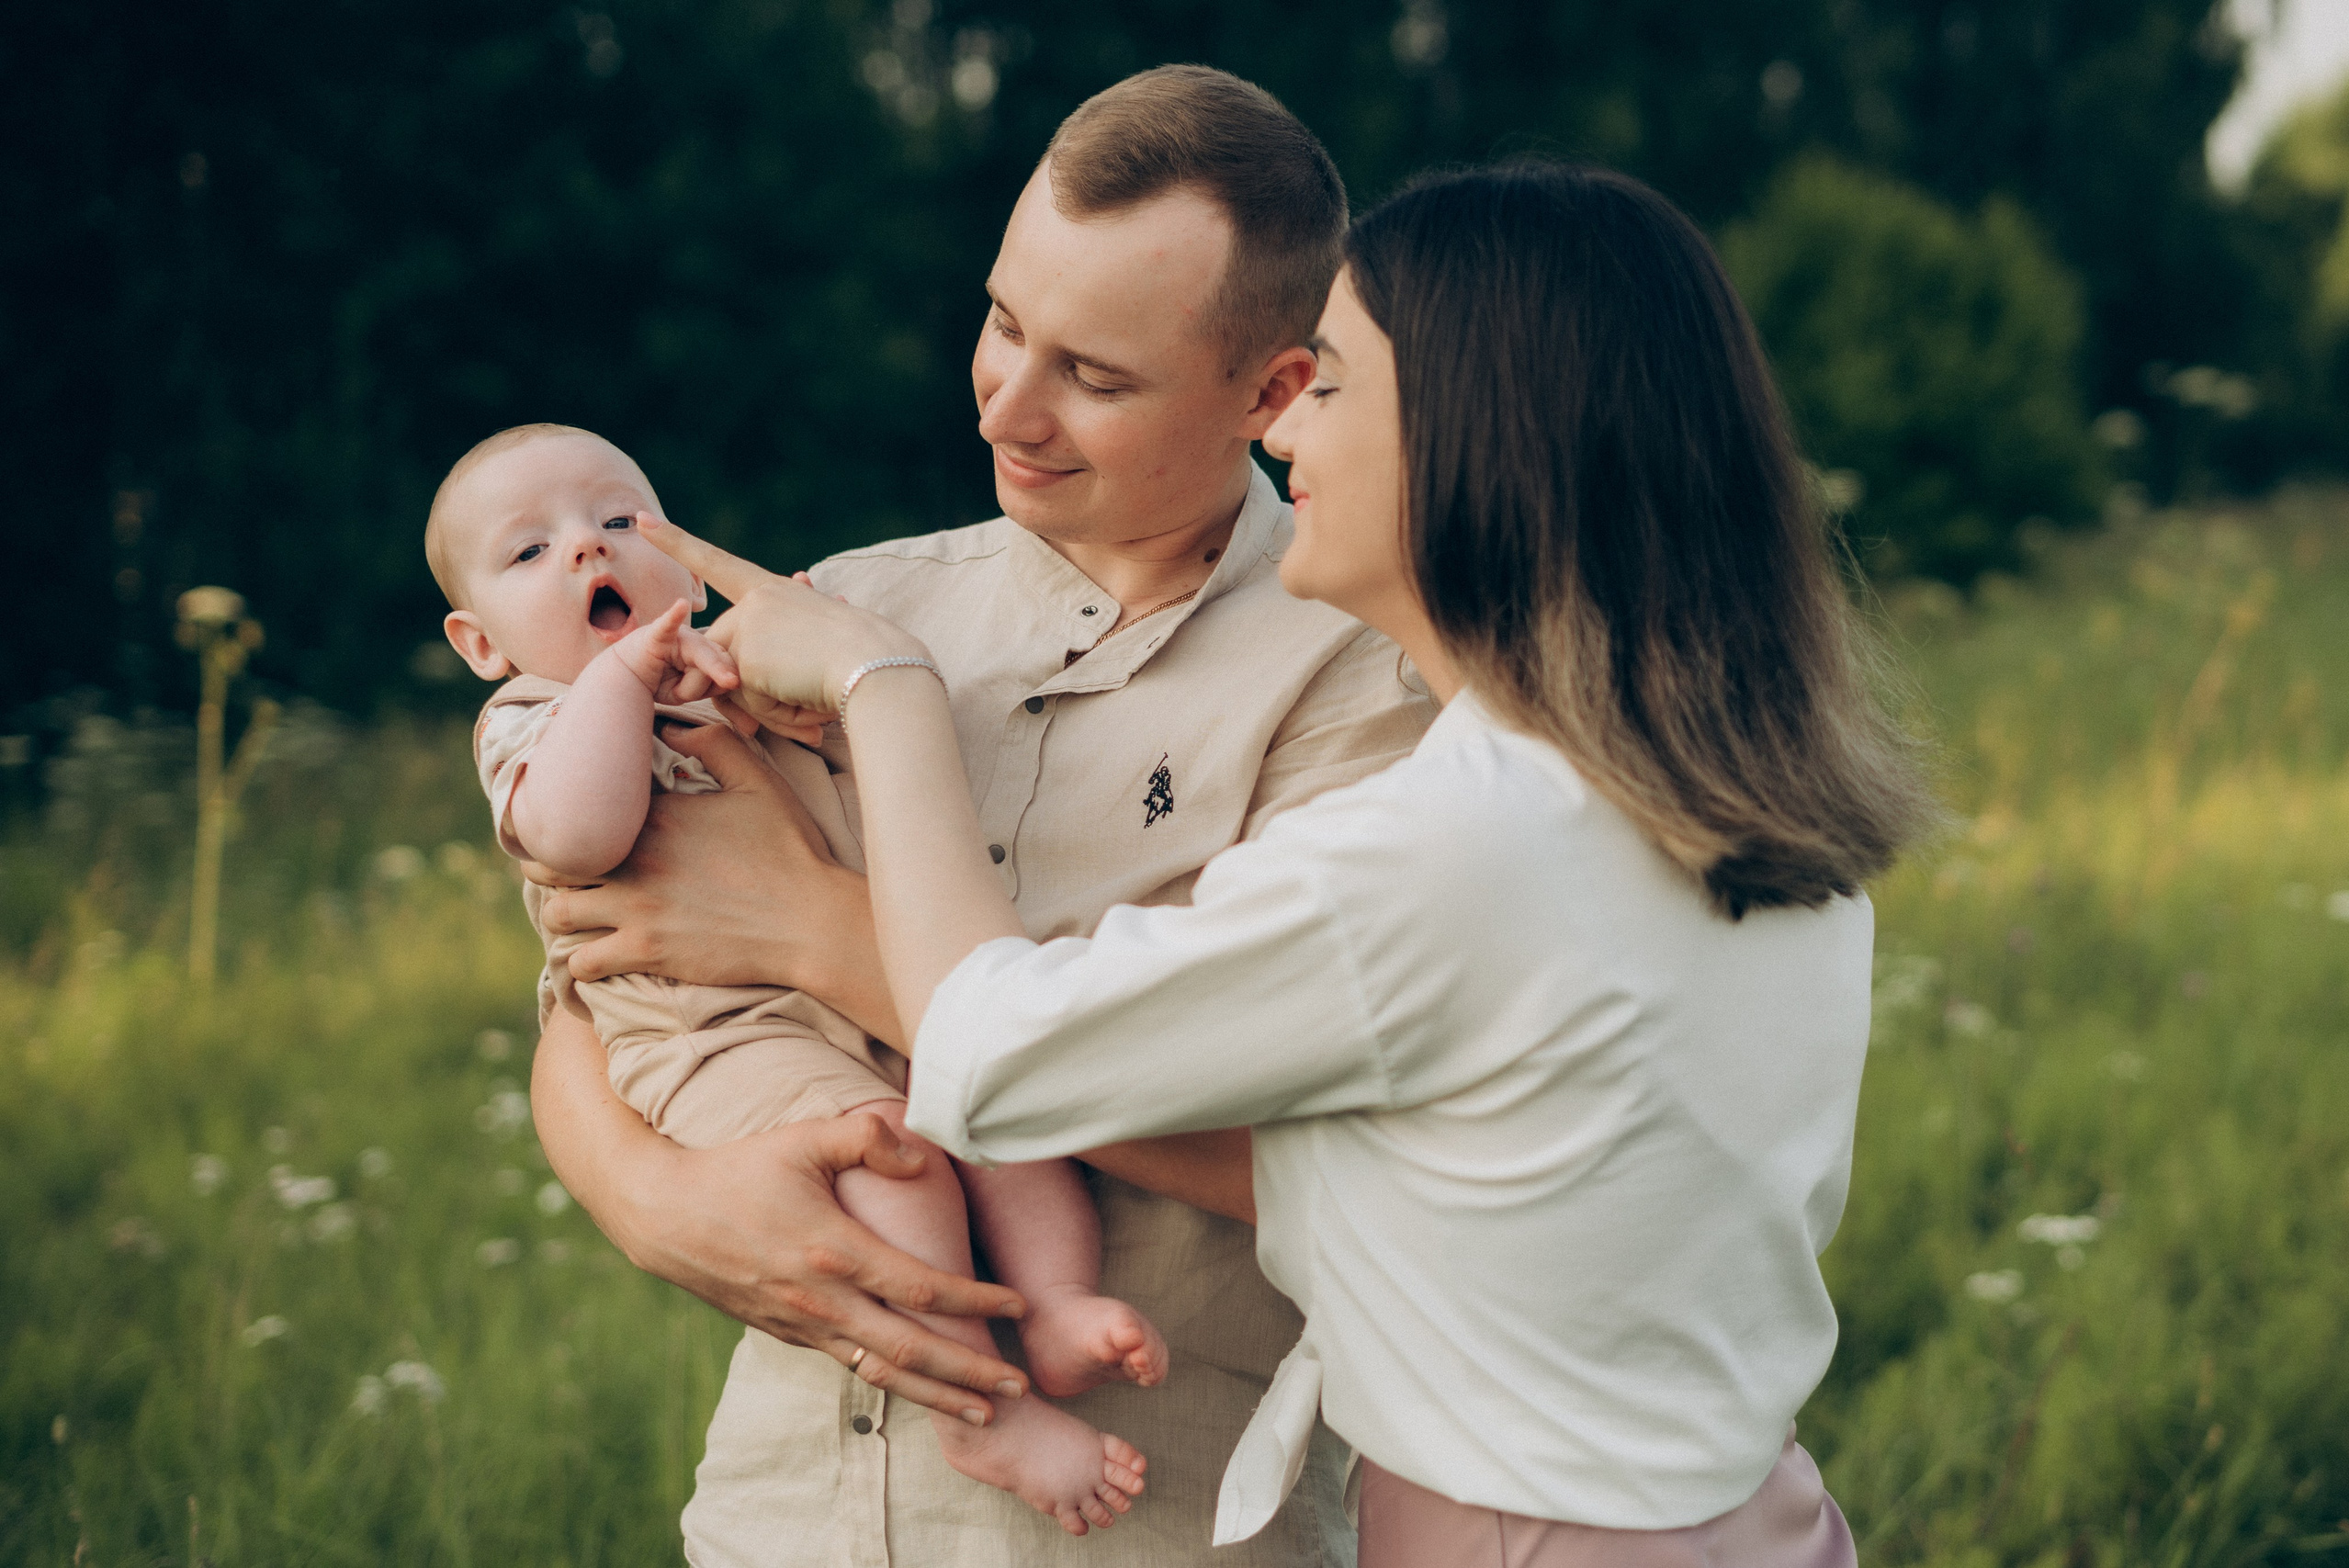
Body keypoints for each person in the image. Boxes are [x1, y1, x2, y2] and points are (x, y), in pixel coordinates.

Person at [631, 161, 1938, 1566]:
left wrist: (882, 689)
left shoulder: (1457, 843)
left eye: (1335, 384)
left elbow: (996, 1050)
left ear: (1474, 441)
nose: (1287, 424)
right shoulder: (1720, 803)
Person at [525, 68, 1435, 1566]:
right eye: (1004, 322)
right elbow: (598, 974)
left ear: (1273, 393)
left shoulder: (1370, 680)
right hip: (782, 1509)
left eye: (1097, 376)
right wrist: (651, 1195)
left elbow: (1324, 1159)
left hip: (1143, 1521)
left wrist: (817, 935)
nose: (1007, 405)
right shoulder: (848, 601)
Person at [425, 423, 1165, 1534]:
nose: (586, 549)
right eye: (530, 552)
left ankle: (1056, 1305)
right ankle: (979, 1408)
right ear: (480, 643)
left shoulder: (732, 672)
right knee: (892, 1157)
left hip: (868, 994)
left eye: (618, 520)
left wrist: (806, 699)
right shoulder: (532, 717)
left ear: (683, 565)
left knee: (1000, 1118)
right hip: (716, 1036)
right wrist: (622, 680)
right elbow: (578, 835)